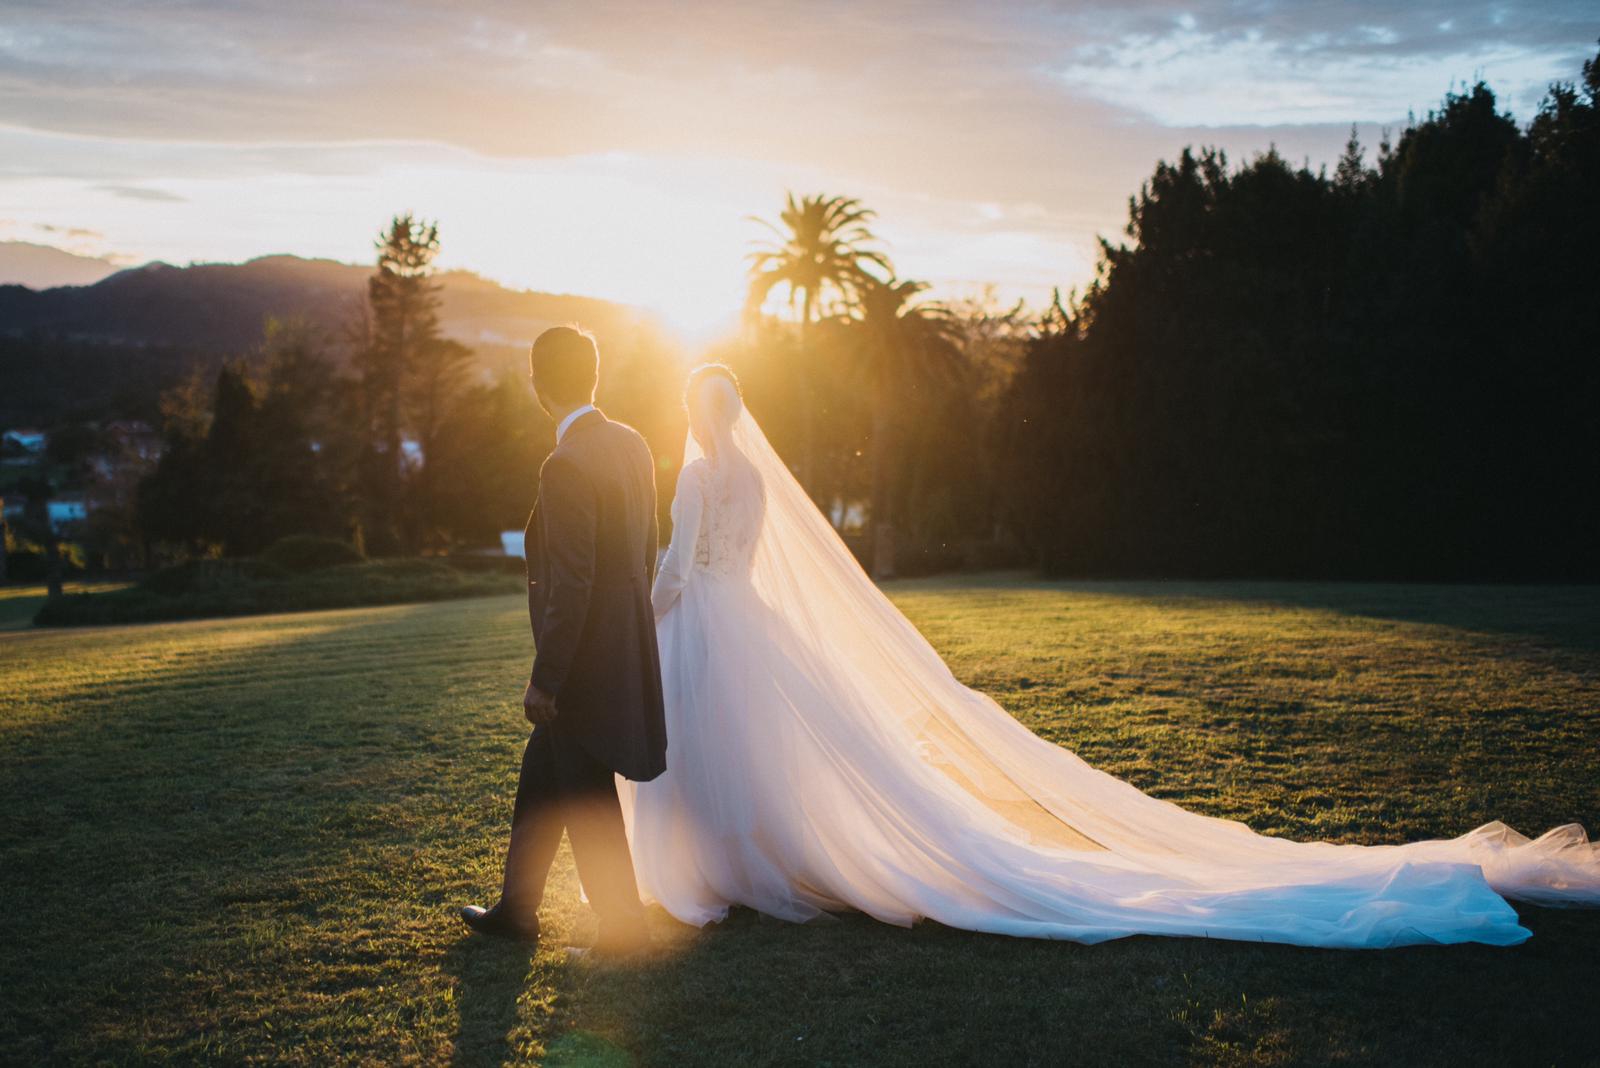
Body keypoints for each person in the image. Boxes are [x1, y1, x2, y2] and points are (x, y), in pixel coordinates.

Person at [620, 364, 1600, 948]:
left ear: (694, 412)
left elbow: (674, 566)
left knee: (711, 747)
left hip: (707, 619)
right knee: (764, 752)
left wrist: (647, 609)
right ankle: (756, 865)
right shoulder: (750, 471)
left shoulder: (704, 472)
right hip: (751, 616)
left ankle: (723, 872)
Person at [461, 326, 666, 955]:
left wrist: (548, 678)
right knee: (542, 774)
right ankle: (518, 910)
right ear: (594, 376)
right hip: (623, 649)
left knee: (582, 790)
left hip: (582, 664)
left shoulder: (565, 463)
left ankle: (623, 926)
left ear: (537, 384)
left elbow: (572, 581)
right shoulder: (632, 444)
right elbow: (647, 548)